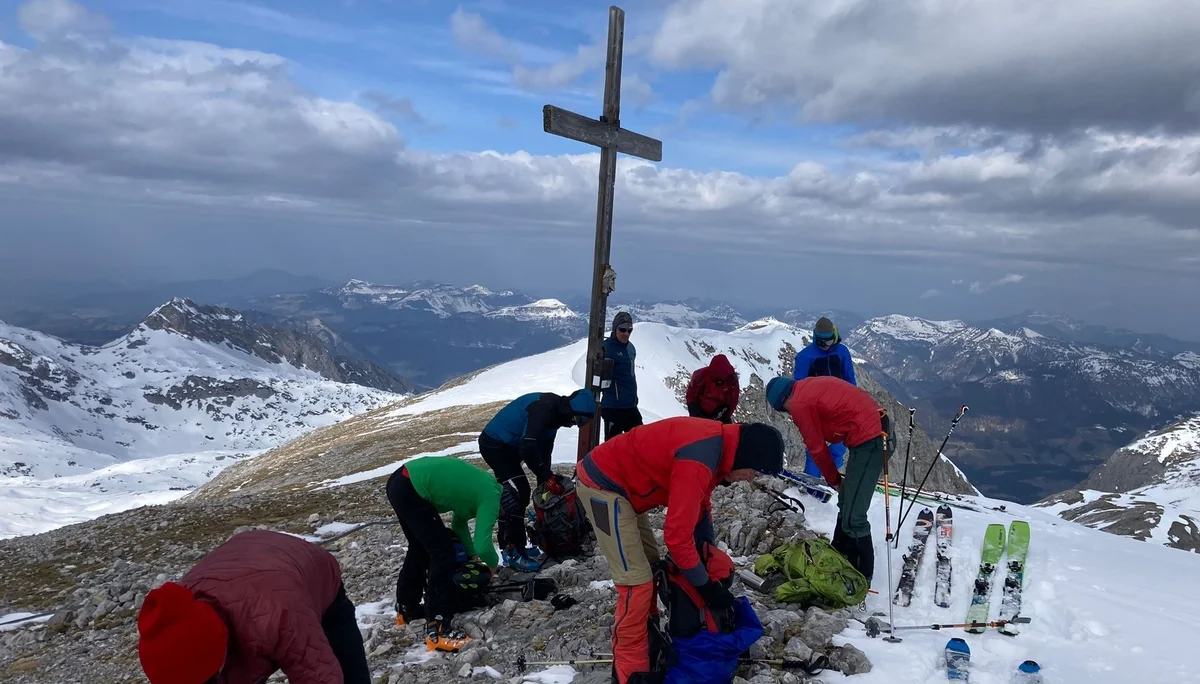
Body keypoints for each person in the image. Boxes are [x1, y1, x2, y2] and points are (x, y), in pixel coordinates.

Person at [574, 417, 786, 684]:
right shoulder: (700, 458)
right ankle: (632, 674)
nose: (750, 479)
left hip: (625, 488)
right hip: (602, 485)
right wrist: (705, 586)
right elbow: (676, 537)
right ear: (746, 456)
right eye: (753, 471)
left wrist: (705, 548)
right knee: (636, 583)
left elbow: (700, 501)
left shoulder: (719, 448)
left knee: (651, 569)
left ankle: (649, 645)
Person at [136, 529, 371, 684]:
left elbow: (318, 675)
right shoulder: (183, 613)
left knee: (348, 672)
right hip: (249, 560)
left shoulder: (279, 615)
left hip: (310, 572)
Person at [765, 376, 889, 582]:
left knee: (854, 515)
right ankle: (839, 552)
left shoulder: (800, 405)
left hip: (872, 440)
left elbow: (817, 448)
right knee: (847, 502)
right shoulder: (805, 387)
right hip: (874, 429)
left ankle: (862, 576)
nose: (789, 415)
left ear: (783, 403)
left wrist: (835, 481)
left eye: (784, 411)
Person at [386, 455, 502, 653]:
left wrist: (471, 556)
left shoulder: (482, 485)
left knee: (419, 546)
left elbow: (459, 523)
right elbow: (484, 545)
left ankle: (407, 610)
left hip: (401, 481)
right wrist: (491, 567)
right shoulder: (491, 495)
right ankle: (438, 628)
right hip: (413, 487)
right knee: (443, 552)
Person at [478, 388, 597, 571]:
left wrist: (546, 478)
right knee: (518, 493)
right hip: (495, 445)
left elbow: (544, 449)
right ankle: (513, 551)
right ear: (571, 410)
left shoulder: (556, 414)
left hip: (510, 446)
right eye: (578, 420)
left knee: (515, 492)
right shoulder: (544, 410)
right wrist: (545, 476)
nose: (576, 425)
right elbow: (528, 447)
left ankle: (514, 548)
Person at [793, 317, 858, 479]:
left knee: (841, 444)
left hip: (840, 407)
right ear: (816, 337)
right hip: (817, 409)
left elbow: (850, 377)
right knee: (816, 447)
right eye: (822, 342)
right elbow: (798, 387)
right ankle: (812, 480)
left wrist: (854, 402)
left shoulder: (842, 352)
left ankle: (830, 476)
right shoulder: (805, 357)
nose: (826, 346)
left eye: (829, 341)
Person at [601, 311, 642, 440]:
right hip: (613, 407)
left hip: (630, 406)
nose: (626, 333)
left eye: (629, 330)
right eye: (622, 329)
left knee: (639, 441)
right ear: (615, 328)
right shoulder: (605, 348)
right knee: (613, 447)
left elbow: (631, 375)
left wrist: (634, 399)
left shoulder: (631, 348)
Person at [684, 353, 740, 423]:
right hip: (699, 412)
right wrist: (693, 410)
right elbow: (691, 394)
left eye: (720, 380)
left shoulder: (732, 381)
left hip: (720, 415)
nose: (718, 382)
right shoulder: (701, 375)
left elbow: (733, 402)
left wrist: (725, 414)